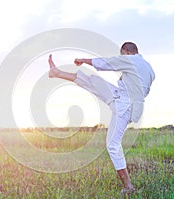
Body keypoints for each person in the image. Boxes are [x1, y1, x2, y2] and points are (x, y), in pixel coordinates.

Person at [48, 42, 155, 195]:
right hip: (129, 103)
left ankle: (128, 187)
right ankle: (56, 72)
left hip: (123, 104)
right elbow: (141, 89)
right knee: (94, 81)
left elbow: (107, 63)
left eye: (121, 55)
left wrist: (83, 60)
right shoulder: (149, 68)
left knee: (112, 144)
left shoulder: (130, 60)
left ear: (125, 52)